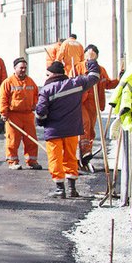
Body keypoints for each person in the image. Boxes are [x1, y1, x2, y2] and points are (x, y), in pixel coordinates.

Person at [36, 59, 102, 198]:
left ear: (52, 75)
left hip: (54, 131)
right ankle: (72, 188)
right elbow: (95, 76)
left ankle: (60, 189)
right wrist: (91, 60)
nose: (46, 78)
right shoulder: (76, 84)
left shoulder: (46, 90)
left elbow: (41, 112)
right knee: (71, 157)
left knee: (55, 159)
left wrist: (41, 122)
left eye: (47, 75)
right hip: (72, 130)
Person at [77, 45, 120, 165]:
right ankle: (84, 151)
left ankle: (86, 155)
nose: (90, 58)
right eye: (88, 55)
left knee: (90, 129)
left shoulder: (101, 70)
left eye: (93, 55)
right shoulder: (78, 68)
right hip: (81, 102)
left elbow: (108, 83)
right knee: (84, 125)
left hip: (94, 103)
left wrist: (119, 80)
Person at [0, 56, 41, 170]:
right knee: (12, 139)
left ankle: (32, 161)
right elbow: (3, 98)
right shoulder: (8, 82)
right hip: (13, 115)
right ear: (15, 68)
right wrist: (4, 113)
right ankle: (12, 161)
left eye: (25, 68)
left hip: (28, 115)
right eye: (21, 68)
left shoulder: (30, 81)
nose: (23, 70)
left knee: (31, 139)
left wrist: (34, 105)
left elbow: (37, 94)